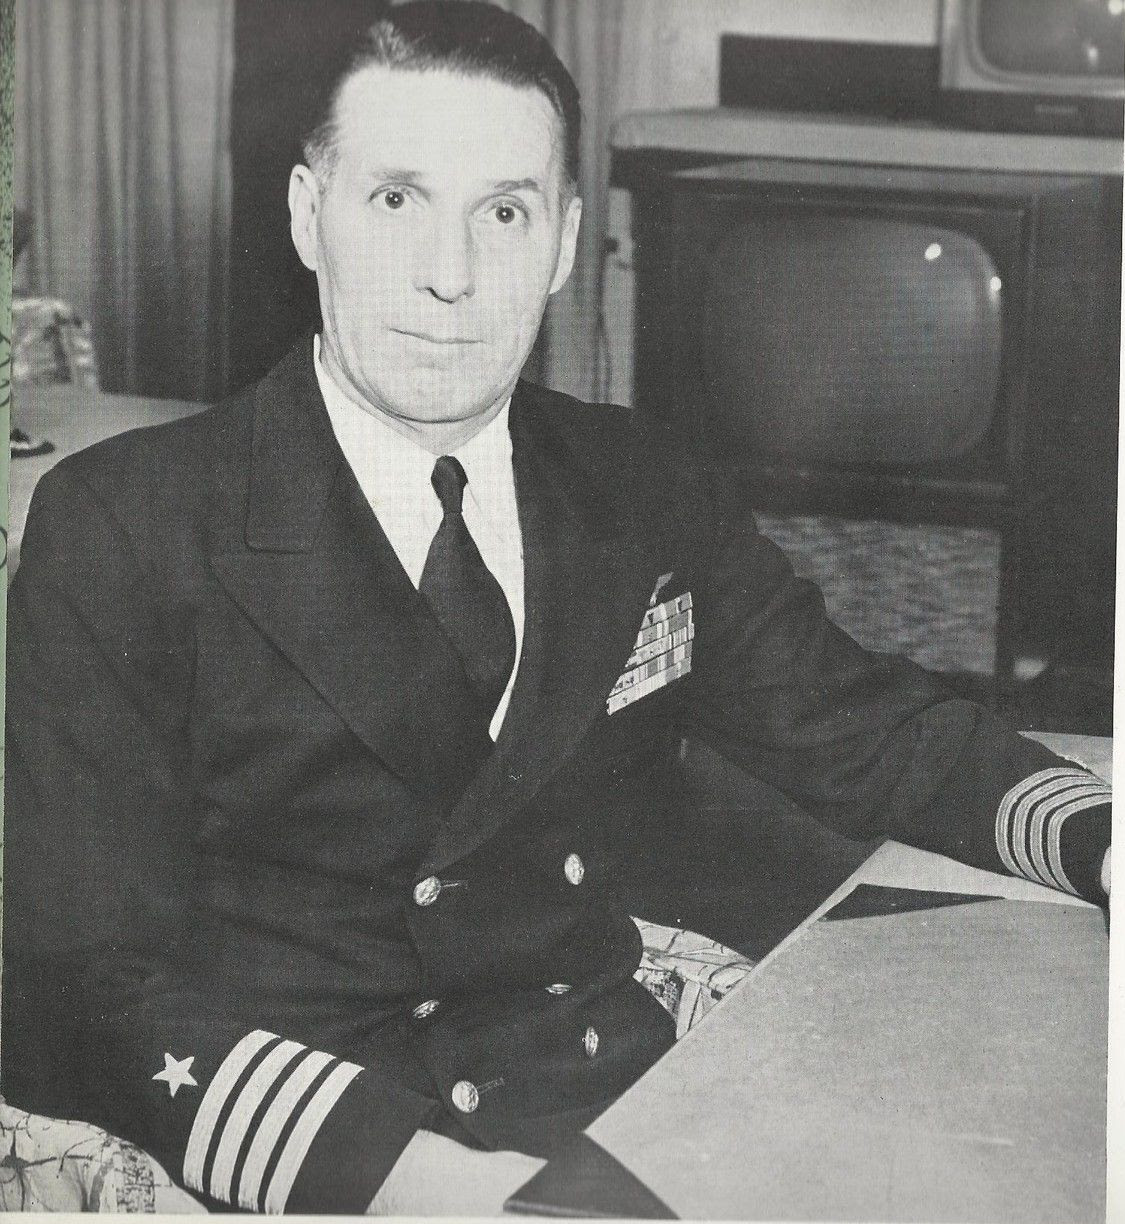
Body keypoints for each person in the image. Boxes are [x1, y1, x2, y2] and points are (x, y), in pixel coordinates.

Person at [2, 2, 1111, 1215]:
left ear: (567, 241)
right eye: (396, 200)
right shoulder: (127, 526)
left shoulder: (637, 482)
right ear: (309, 216)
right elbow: (80, 977)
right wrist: (426, 1185)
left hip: (608, 1099)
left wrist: (1101, 840)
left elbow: (869, 728)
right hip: (322, 1152)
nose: (451, 275)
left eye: (505, 213)